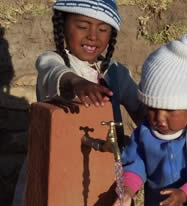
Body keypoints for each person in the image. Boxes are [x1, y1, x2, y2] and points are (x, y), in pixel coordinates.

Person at [12, 0, 144, 205]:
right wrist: (76, 82)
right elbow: (53, 72)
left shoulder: (116, 73)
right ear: (63, 25)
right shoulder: (56, 62)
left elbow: (142, 111)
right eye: (82, 26)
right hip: (56, 167)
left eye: (103, 29)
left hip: (103, 167)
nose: (93, 35)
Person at [113, 33, 187, 206]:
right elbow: (135, 163)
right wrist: (128, 189)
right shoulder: (144, 132)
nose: (159, 118)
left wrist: (185, 194)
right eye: (152, 108)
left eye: (170, 110)